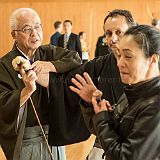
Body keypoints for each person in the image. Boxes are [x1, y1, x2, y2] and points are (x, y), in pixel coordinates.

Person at [37, 9, 136, 160]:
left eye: (119, 32)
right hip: (105, 144)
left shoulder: (150, 66)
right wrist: (38, 71)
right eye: (108, 33)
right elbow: (67, 82)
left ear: (133, 32)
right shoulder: (102, 64)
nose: (113, 38)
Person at [0, 8, 82, 160]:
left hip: (54, 136)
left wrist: (50, 66)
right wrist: (27, 91)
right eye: (27, 29)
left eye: (37, 26)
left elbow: (75, 58)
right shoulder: (3, 65)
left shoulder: (48, 53)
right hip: (27, 141)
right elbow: (2, 103)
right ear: (14, 34)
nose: (34, 33)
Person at [71, 24, 160, 160]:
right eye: (119, 56)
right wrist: (94, 105)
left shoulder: (155, 105)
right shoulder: (132, 91)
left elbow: (124, 156)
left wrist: (102, 117)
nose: (120, 63)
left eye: (128, 56)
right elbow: (111, 132)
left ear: (152, 60)